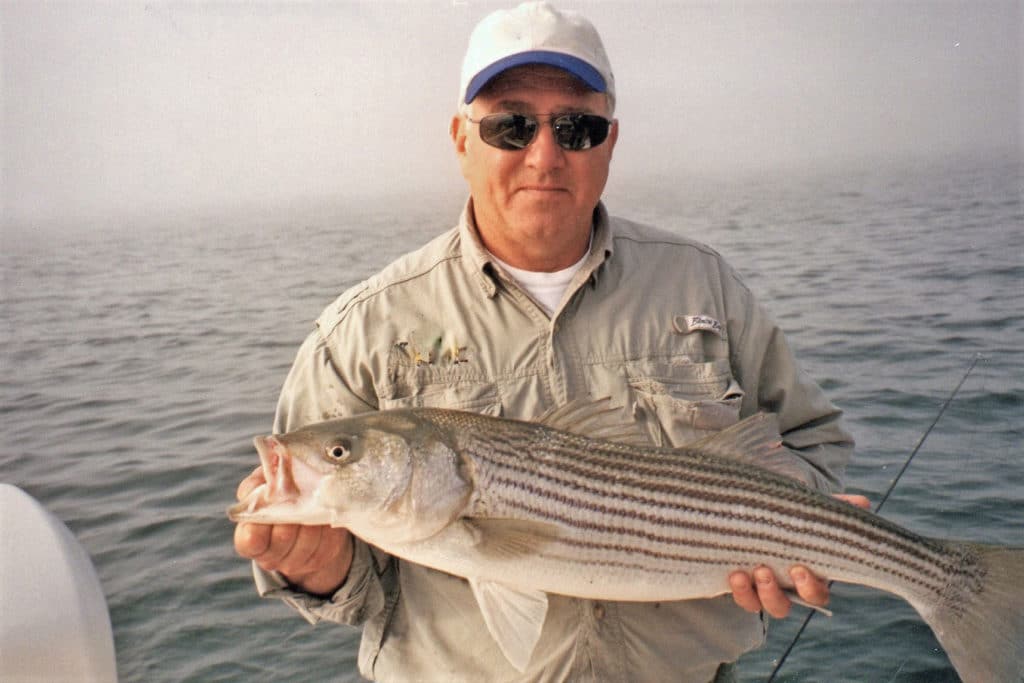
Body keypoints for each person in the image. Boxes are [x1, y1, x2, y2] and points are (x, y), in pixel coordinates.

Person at [233, 3, 864, 681]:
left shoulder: (703, 286)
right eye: (510, 125)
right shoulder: (360, 330)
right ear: (460, 138)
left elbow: (809, 446)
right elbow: (340, 587)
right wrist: (326, 570)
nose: (544, 154)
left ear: (611, 141)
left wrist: (793, 525)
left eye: (576, 127)